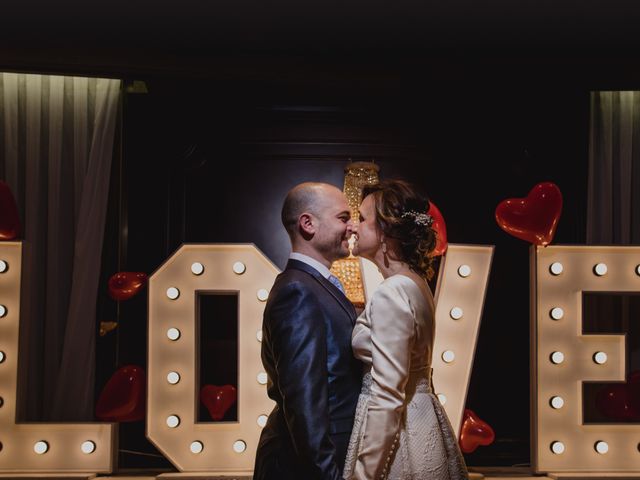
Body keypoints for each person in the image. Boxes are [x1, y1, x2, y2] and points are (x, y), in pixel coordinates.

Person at [343, 179, 468, 480]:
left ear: (386, 232)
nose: (353, 228)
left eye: (363, 219)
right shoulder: (417, 284)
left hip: (401, 432)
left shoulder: (393, 291)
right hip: (421, 417)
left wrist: (364, 474)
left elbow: (387, 394)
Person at [253, 182, 363, 480]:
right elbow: (304, 406)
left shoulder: (313, 284)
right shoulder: (298, 291)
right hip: (307, 466)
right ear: (307, 224)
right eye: (343, 217)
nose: (353, 227)